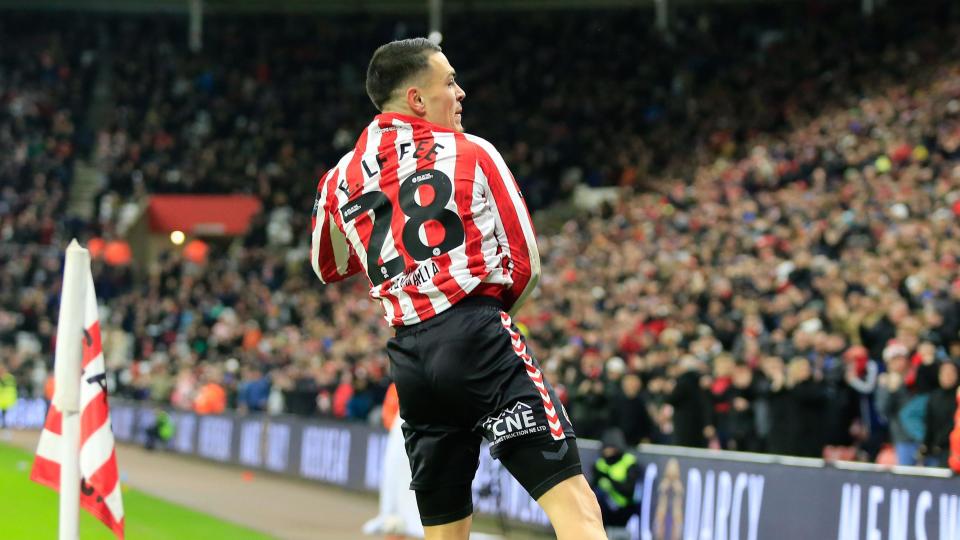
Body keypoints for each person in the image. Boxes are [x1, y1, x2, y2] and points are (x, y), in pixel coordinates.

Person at [311, 38, 604, 539]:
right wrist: (479, 319)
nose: (461, 92)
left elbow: (328, 265)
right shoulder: (470, 150)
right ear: (417, 100)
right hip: (476, 336)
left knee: (445, 533)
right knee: (576, 507)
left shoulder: (339, 178)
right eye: (449, 82)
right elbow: (525, 263)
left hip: (411, 362)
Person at [591, 429, 640, 539]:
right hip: (604, 512)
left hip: (625, 510)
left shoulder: (629, 462)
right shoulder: (600, 464)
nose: (608, 452)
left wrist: (609, 478)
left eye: (611, 448)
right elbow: (591, 489)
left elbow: (628, 492)